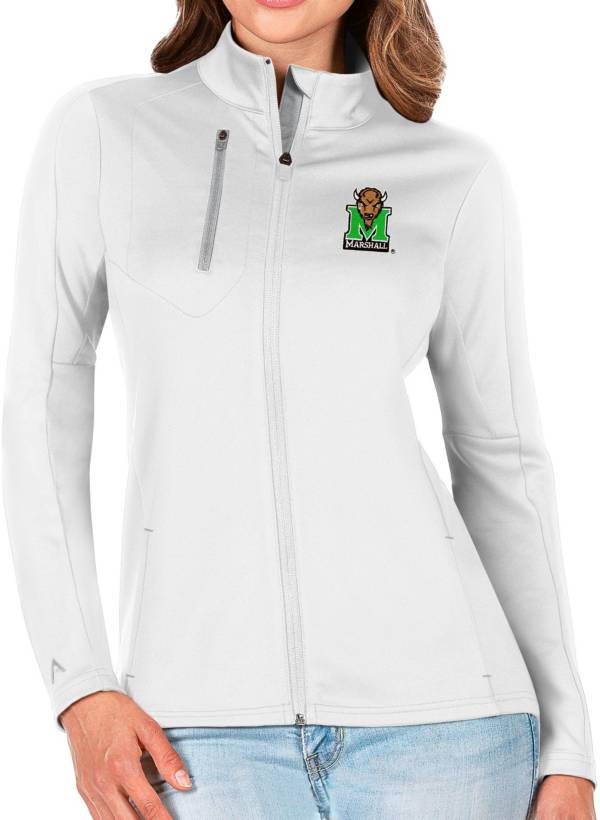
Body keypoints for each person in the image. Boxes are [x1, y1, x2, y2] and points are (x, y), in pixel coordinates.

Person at [3, 0, 596, 817]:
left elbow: (502, 459)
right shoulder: (106, 132)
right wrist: (79, 686)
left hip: (450, 727)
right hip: (193, 729)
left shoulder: (452, 172)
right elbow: (38, 412)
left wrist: (569, 746)